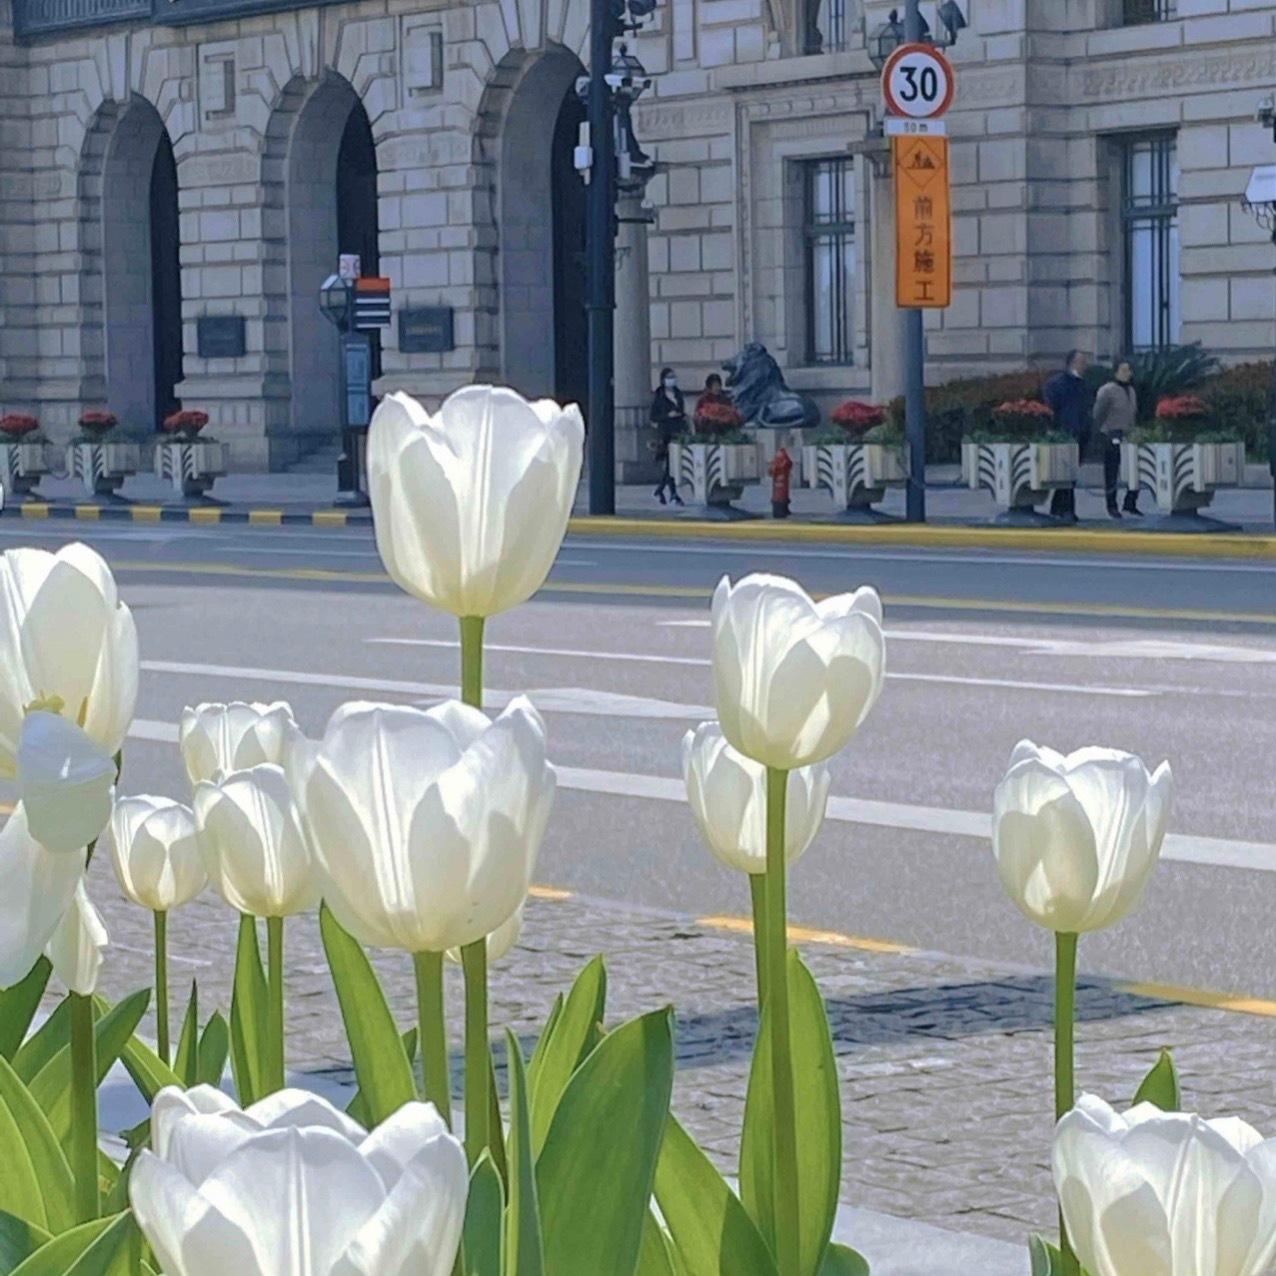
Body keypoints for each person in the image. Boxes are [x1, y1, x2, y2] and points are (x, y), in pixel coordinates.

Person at [1043, 349, 1092, 521]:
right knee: (1066, 474)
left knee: (1069, 475)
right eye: (1082, 361)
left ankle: (1059, 508)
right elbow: (1050, 409)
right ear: (1073, 363)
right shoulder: (1057, 384)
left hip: (1079, 433)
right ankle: (1066, 509)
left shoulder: (1082, 384)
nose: (1085, 365)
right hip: (1065, 434)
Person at [1093, 359, 1142, 519]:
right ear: (1115, 372)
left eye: (1129, 370)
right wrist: (1102, 432)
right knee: (1112, 471)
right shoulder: (1107, 390)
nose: (1127, 373)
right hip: (1111, 433)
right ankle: (1111, 505)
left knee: (1135, 469)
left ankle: (1130, 503)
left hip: (1129, 435)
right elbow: (1098, 413)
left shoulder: (1132, 391)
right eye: (1124, 370)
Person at [649, 367, 686, 506]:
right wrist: (667, 416)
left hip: (677, 431)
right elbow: (653, 416)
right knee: (671, 464)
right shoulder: (659, 396)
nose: (672, 379)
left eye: (673, 376)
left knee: (672, 465)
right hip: (665, 433)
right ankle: (673, 494)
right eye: (669, 377)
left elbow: (682, 411)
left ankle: (661, 491)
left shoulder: (678, 394)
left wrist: (679, 415)